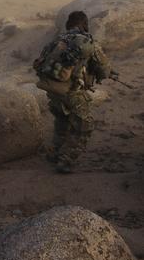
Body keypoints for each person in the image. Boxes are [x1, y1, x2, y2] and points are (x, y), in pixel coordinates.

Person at [33, 11, 112, 173]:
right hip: (71, 91)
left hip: (51, 88)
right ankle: (66, 159)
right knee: (85, 125)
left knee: (62, 119)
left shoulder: (57, 40)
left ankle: (55, 151)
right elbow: (103, 71)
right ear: (84, 24)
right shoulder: (89, 42)